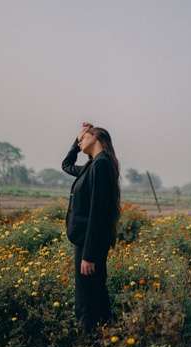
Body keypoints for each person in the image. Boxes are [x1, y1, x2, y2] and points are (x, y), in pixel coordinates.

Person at [61, 122, 121, 335]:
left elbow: (98, 213)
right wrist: (76, 142)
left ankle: (88, 341)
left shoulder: (101, 165)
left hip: (89, 243)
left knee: (86, 298)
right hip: (87, 241)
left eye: (83, 138)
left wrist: (89, 254)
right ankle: (106, 336)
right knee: (95, 293)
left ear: (97, 138)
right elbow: (66, 165)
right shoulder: (93, 165)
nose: (80, 142)